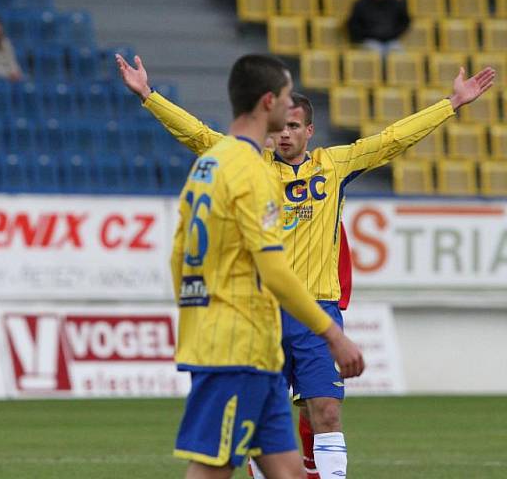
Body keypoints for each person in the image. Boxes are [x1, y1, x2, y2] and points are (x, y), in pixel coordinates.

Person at [117, 53, 495, 479]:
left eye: (295, 126)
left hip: (318, 311)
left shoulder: (334, 166)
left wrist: (450, 104)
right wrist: (150, 97)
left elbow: (393, 139)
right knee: (264, 428)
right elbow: (200, 136)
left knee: (327, 413)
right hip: (266, 315)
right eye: (282, 126)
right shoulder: (251, 165)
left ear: (309, 131)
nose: (285, 135)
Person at [164, 53, 364, 479]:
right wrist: (332, 334)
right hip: (239, 340)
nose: (292, 112)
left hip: (252, 343)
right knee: (213, 466)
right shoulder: (254, 172)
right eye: (288, 98)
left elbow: (178, 256)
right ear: (268, 103)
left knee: (288, 470)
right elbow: (274, 272)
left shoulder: (209, 165)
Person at [347, 0, 411, 58]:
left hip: (390, 40)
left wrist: (394, 34)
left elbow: (405, 21)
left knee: (399, 54)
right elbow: (353, 23)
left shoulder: (394, 3)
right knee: (374, 53)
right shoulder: (362, 4)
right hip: (370, 40)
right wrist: (364, 35)